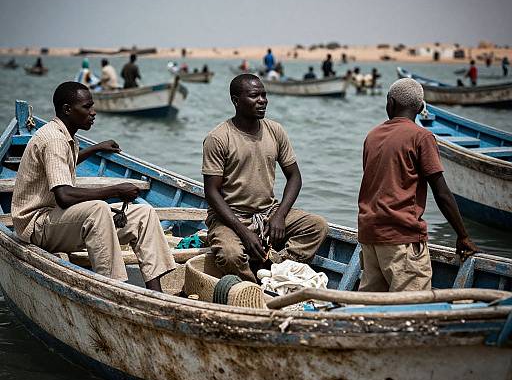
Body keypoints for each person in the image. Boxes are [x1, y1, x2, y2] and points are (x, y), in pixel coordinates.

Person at [11, 82, 176, 291]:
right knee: (97, 210)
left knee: (144, 214)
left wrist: (96, 148)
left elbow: (65, 162)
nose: (93, 112)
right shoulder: (54, 140)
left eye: (92, 106)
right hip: (36, 225)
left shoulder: (64, 135)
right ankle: (113, 289)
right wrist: (116, 190)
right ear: (67, 110)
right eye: (87, 107)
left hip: (57, 219)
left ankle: (156, 293)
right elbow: (63, 196)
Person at [202, 74, 328, 282]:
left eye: (264, 95)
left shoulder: (275, 130)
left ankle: (273, 267)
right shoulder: (218, 138)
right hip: (230, 217)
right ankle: (252, 285)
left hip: (267, 212)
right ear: (236, 101)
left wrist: (279, 215)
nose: (262, 100)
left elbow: (294, 177)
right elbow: (211, 193)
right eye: (254, 96)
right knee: (231, 255)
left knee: (317, 226)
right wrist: (243, 232)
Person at [357, 78, 478, 292]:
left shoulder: (372, 136)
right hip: (401, 237)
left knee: (370, 308)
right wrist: (463, 235)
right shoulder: (421, 137)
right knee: (412, 311)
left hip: (369, 236)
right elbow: (441, 192)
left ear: (390, 103)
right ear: (420, 107)